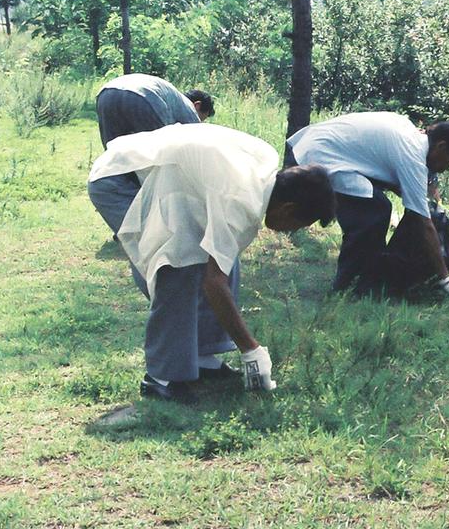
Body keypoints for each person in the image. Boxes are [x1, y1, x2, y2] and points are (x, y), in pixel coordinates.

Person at [88, 123, 335, 403]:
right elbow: (213, 284)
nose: (292, 231)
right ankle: (161, 377)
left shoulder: (263, 170)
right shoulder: (242, 200)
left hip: (163, 178)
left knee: (219, 260)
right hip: (122, 177)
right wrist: (251, 350)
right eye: (299, 224)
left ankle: (202, 357)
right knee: (175, 267)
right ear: (288, 208)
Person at [285, 112, 449, 298]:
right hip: (322, 155)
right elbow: (423, 222)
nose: (448, 168)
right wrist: (445, 278)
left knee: (377, 208)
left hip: (317, 144)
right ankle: (349, 288)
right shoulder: (413, 157)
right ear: (441, 146)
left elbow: (389, 178)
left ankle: (365, 282)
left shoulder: (411, 137)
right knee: (371, 216)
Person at [95, 73, 208, 148]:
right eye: (202, 118)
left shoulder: (173, 97)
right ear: (197, 106)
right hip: (143, 95)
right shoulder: (189, 108)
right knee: (157, 154)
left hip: (106, 93)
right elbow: (194, 145)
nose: (198, 121)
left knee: (113, 153)